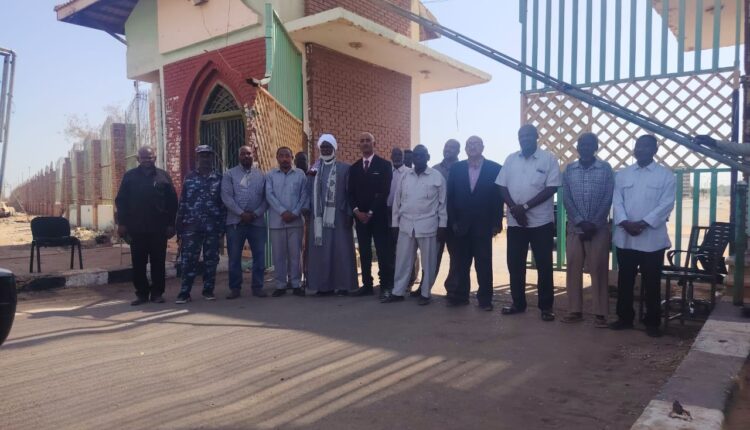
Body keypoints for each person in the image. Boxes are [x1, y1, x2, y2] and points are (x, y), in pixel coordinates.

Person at [610, 135, 675, 337]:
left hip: (652, 240)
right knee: (625, 281)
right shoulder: (623, 175)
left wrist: (643, 223)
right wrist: (625, 222)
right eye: (638, 146)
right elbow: (617, 201)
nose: (641, 149)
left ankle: (652, 322)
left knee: (652, 283)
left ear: (655, 150)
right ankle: (624, 318)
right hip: (626, 237)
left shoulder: (665, 176)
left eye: (646, 146)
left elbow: (666, 204)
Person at [497, 124, 561, 321]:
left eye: (528, 135)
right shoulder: (510, 159)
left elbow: (551, 188)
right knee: (515, 264)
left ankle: (546, 307)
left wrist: (524, 207)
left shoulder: (548, 159)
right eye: (521, 136)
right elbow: (501, 186)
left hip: (541, 223)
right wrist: (514, 209)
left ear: (536, 137)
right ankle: (518, 303)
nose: (524, 138)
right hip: (516, 223)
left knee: (544, 265)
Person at [560, 133, 614, 327]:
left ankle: (600, 314)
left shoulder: (605, 169)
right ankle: (574, 310)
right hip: (576, 229)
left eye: (590, 144)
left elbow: (608, 197)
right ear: (577, 147)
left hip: (598, 229)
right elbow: (567, 198)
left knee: (599, 269)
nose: (585, 147)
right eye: (582, 144)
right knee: (573, 268)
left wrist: (594, 223)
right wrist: (580, 222)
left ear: (596, 147)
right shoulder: (569, 170)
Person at [382, 145, 447, 305]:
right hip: (406, 226)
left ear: (428, 157)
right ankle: (398, 292)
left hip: (428, 226)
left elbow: (442, 204)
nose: (418, 158)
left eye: (421, 155)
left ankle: (425, 293)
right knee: (402, 261)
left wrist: (442, 226)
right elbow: (397, 202)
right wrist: (395, 224)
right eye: (415, 155)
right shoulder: (405, 176)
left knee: (428, 262)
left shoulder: (437, 177)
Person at [115, 146, 178, 306]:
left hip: (159, 229)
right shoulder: (129, 177)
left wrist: (171, 224)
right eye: (143, 158)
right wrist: (122, 223)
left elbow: (172, 202)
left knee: (158, 262)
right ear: (138, 159)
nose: (147, 160)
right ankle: (141, 294)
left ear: (154, 158)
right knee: (138, 263)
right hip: (136, 229)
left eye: (150, 157)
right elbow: (121, 201)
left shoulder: (163, 176)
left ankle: (157, 293)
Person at [446, 136, 503, 311]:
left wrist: (497, 222)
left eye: (476, 144)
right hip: (461, 225)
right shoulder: (456, 168)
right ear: (465, 149)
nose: (472, 147)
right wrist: (453, 222)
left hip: (484, 225)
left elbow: (498, 198)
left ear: (483, 147)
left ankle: (485, 300)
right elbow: (450, 197)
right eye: (469, 144)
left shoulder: (495, 168)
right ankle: (461, 296)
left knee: (483, 263)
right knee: (461, 263)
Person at [305, 134, 358, 295]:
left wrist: (349, 213)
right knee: (320, 253)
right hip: (318, 219)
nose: (326, 149)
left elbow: (350, 193)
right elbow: (308, 191)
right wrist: (307, 210)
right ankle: (323, 287)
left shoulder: (345, 168)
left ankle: (343, 285)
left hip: (339, 218)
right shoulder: (314, 170)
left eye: (329, 147)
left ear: (334, 148)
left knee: (341, 251)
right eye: (323, 147)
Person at [174, 145, 226, 304]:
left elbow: (223, 204)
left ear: (212, 158)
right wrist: (179, 227)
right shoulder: (189, 178)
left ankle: (208, 290)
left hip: (212, 227)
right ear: (197, 158)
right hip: (192, 227)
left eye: (208, 156)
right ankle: (184, 293)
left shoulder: (219, 178)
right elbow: (183, 202)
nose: (205, 159)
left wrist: (222, 228)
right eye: (202, 156)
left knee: (211, 261)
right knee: (188, 261)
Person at [348, 132, 394, 298]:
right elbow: (350, 193)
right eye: (362, 141)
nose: (365, 143)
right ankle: (367, 285)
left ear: (374, 144)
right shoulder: (354, 168)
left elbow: (384, 191)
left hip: (378, 216)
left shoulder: (384, 165)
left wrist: (370, 212)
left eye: (368, 140)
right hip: (360, 218)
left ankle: (386, 286)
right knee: (365, 252)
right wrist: (357, 212)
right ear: (359, 145)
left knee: (383, 252)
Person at [221, 145, 268, 299]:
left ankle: (257, 287)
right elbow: (226, 197)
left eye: (248, 153)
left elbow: (266, 199)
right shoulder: (229, 174)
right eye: (243, 154)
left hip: (256, 222)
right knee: (234, 257)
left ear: (253, 155)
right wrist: (241, 213)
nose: (246, 156)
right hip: (235, 222)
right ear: (238, 156)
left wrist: (255, 213)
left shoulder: (261, 175)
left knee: (259, 256)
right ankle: (235, 288)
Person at [266, 146, 308, 297]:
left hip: (295, 222)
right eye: (281, 156)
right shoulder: (270, 175)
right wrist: (282, 211)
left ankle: (296, 283)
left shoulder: (300, 175)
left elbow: (304, 195)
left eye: (287, 156)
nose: (284, 159)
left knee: (295, 255)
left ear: (292, 158)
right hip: (277, 221)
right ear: (277, 158)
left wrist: (295, 212)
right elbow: (269, 195)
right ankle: (280, 285)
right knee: (278, 256)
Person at [431, 138, 461, 293]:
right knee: (432, 256)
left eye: (452, 147)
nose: (448, 149)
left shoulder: (463, 169)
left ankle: (452, 289)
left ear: (458, 151)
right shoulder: (434, 169)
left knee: (455, 257)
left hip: (455, 220)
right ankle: (425, 286)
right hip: (436, 220)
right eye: (446, 146)